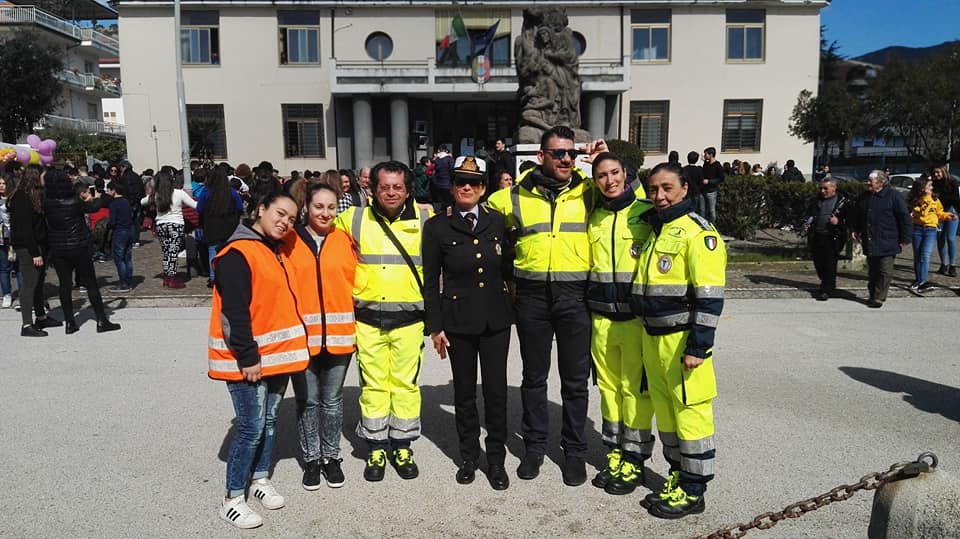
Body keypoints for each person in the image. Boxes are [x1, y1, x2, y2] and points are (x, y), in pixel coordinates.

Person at [486, 126, 607, 486]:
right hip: (532, 297)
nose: (567, 159)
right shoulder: (514, 196)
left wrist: (602, 159)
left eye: (571, 153)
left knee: (575, 382)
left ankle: (574, 452)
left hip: (574, 297)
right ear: (542, 156)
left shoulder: (589, 190)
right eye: (559, 153)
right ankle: (535, 448)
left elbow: (631, 197)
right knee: (533, 379)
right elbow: (476, 213)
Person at [631, 162, 726, 519]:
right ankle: (677, 475)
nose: (659, 196)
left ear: (685, 188)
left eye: (667, 188)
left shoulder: (698, 233)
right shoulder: (657, 227)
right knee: (667, 415)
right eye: (654, 189)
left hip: (683, 341)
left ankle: (694, 489)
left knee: (690, 416)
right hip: (653, 340)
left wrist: (698, 347)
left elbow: (710, 296)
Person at [209, 192, 309, 529]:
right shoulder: (237, 254)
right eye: (280, 214)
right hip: (248, 360)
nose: (286, 222)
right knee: (250, 427)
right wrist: (248, 356)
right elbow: (234, 312)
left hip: (276, 359)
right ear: (261, 210)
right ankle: (233, 497)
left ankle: (259, 479)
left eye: (292, 219)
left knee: (268, 422)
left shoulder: (274, 249)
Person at [423, 156, 514, 491]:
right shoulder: (437, 227)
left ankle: (496, 460)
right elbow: (431, 281)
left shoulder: (497, 221)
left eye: (473, 183)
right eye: (460, 181)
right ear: (452, 186)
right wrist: (435, 326)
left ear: (483, 188)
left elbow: (508, 268)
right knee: (464, 393)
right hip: (457, 321)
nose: (466, 187)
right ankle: (469, 457)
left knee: (496, 392)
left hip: (495, 320)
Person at [335, 161, 430, 482]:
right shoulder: (352, 219)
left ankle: (402, 444)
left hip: (409, 320)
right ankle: (375, 446)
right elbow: (317, 235)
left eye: (398, 187)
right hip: (367, 319)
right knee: (373, 385)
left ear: (407, 190)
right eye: (384, 187)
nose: (391, 192)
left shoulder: (426, 218)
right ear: (371, 189)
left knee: (405, 385)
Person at [585, 152, 655, 495]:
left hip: (634, 322)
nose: (610, 180)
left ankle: (635, 458)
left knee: (634, 392)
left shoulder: (645, 212)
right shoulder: (594, 216)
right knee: (609, 392)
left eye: (615, 173)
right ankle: (614, 451)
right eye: (602, 175)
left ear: (626, 174)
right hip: (601, 320)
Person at [281, 182, 357, 491]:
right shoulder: (289, 241)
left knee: (333, 400)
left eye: (330, 206)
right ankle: (311, 459)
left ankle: (331, 457)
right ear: (306, 208)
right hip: (303, 338)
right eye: (318, 206)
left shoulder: (346, 240)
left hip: (340, 336)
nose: (325, 213)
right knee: (308, 400)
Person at [42, 169, 121, 334]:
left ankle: (70, 323)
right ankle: (101, 320)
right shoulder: (74, 202)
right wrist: (103, 195)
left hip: (58, 247)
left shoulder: (46, 202)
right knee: (91, 283)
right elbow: (95, 206)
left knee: (64, 285)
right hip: (78, 245)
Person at [8, 167, 60, 336]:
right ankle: (26, 325)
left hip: (38, 244)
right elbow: (24, 229)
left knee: (38, 283)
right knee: (29, 285)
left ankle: (41, 316)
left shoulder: (33, 195)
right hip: (28, 247)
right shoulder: (21, 197)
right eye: (43, 176)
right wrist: (34, 253)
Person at [850, 170, 912, 308]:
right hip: (870, 239)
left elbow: (904, 217)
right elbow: (857, 215)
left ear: (881, 182)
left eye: (870, 181)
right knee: (873, 270)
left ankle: (879, 297)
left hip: (888, 239)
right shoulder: (864, 197)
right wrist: (855, 229)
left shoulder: (893, 196)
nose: (868, 183)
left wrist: (905, 237)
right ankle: (873, 293)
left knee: (885, 270)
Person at [141, 171, 198, 288]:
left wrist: (151, 194)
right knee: (173, 252)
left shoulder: (157, 194)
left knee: (167, 252)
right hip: (176, 225)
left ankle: (167, 277)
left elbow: (142, 201)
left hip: (161, 225)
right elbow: (195, 205)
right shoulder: (179, 193)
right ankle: (172, 278)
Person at [803, 178, 849, 300]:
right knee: (818, 262)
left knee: (829, 263)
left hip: (832, 236)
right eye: (821, 188)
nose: (822, 191)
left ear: (834, 189)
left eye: (825, 188)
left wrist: (838, 222)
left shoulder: (843, 202)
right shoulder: (816, 200)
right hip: (817, 234)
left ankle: (826, 289)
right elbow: (810, 214)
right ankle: (827, 282)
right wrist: (807, 223)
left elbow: (849, 221)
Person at [198, 167, 244, 288]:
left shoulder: (206, 192)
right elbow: (239, 208)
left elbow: (199, 209)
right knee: (229, 252)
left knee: (213, 252)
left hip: (211, 227)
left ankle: (214, 278)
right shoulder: (232, 192)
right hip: (230, 227)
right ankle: (230, 277)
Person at [908, 176, 956, 292]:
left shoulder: (935, 199)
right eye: (929, 185)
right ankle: (918, 280)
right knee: (918, 256)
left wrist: (948, 216)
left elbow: (939, 212)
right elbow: (914, 212)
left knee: (925, 255)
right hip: (917, 229)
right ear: (922, 188)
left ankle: (923, 282)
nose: (932, 187)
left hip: (931, 230)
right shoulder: (915, 199)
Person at [106, 182, 135, 292]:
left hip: (119, 231)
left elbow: (112, 222)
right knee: (127, 257)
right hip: (129, 230)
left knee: (119, 258)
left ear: (113, 190)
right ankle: (128, 280)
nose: (108, 192)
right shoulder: (126, 202)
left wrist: (108, 225)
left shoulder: (114, 204)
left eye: (109, 190)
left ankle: (123, 283)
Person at [931, 166, 959, 277]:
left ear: (943, 171)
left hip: (951, 210)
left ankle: (952, 265)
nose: (936, 174)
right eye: (934, 172)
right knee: (940, 238)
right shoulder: (933, 183)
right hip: (938, 213)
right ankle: (943, 264)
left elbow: (955, 198)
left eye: (938, 172)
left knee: (951, 238)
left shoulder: (952, 182)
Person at [0, 175, 22, 308]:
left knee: (19, 267)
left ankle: (22, 295)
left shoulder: (16, 199)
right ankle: (7, 294)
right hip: (2, 237)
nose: (1, 186)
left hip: (16, 236)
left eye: (4, 183)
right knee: (4, 267)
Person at [700, 147, 723, 223]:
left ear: (711, 155)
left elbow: (721, 178)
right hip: (703, 190)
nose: (704, 156)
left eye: (706, 154)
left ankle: (712, 225)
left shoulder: (717, 165)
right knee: (702, 210)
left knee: (711, 211)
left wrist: (709, 181)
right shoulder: (706, 164)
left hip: (711, 191)